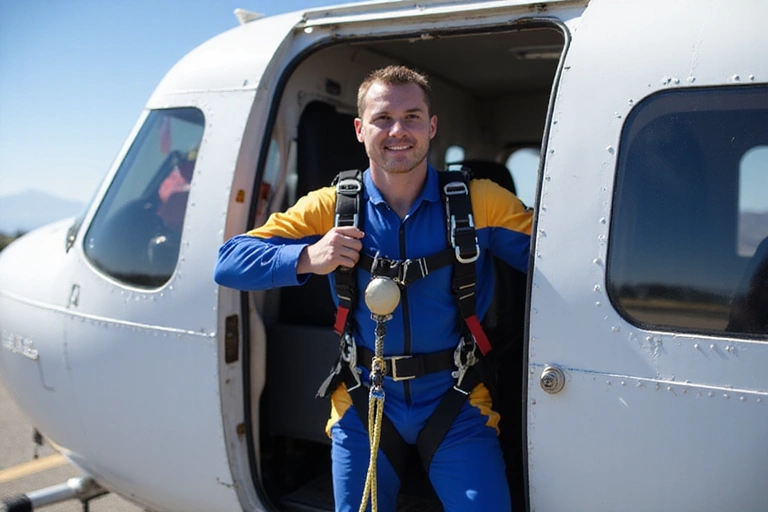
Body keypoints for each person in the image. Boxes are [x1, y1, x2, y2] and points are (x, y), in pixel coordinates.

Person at [214, 65, 532, 512]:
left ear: (432, 127)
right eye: (383, 118)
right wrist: (308, 258)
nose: (398, 131)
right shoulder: (332, 207)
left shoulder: (479, 201)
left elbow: (556, 261)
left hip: (456, 398)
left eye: (413, 117)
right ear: (360, 129)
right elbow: (229, 262)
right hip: (363, 399)